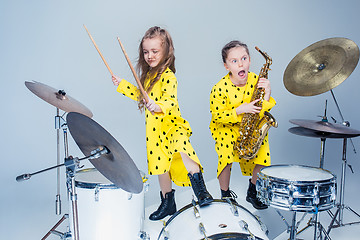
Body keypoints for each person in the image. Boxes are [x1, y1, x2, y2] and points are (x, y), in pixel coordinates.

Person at [112, 26, 213, 221]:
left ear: (166, 51)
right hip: (154, 130)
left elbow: (170, 101)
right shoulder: (148, 76)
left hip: (172, 126)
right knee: (160, 166)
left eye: (154, 51)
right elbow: (140, 95)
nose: (149, 55)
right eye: (146, 51)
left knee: (185, 153)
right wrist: (122, 84)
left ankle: (201, 192)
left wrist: (157, 106)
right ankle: (168, 203)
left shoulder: (168, 76)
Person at [209, 40, 276, 209]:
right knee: (226, 158)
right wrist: (240, 110)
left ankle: (253, 191)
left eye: (244, 58)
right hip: (226, 127)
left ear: (250, 60)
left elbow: (261, 110)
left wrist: (267, 93)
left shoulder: (257, 80)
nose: (241, 64)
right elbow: (218, 116)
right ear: (226, 66)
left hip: (251, 126)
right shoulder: (218, 88)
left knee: (263, 154)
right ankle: (225, 194)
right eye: (234, 61)